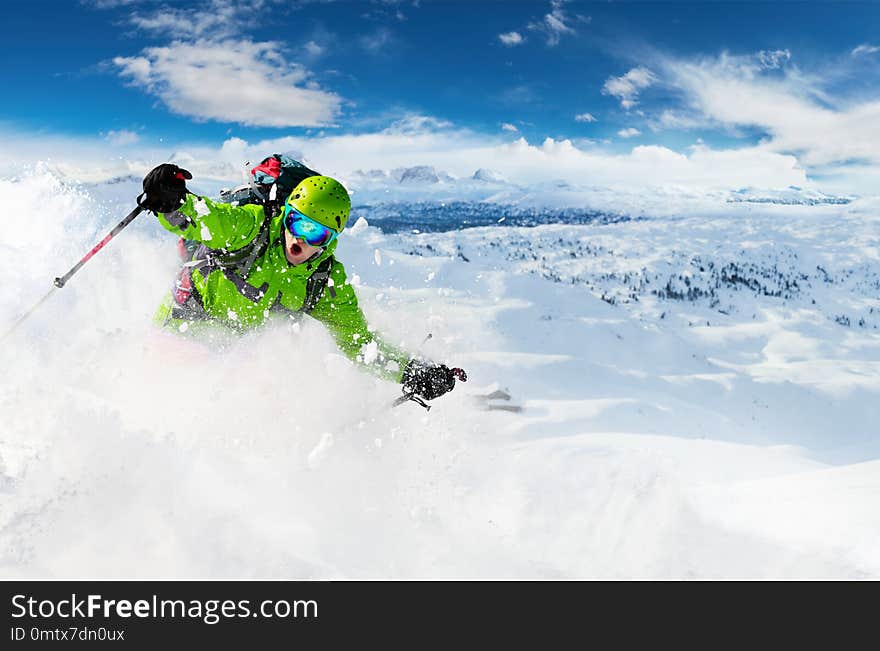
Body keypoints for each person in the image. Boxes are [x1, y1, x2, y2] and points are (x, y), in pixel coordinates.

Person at [138, 161, 464, 405]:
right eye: (296, 222)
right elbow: (208, 220)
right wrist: (173, 202)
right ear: (286, 214)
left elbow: (358, 343)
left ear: (330, 240)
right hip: (185, 326)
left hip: (235, 352)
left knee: (251, 401)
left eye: (315, 233)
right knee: (172, 399)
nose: (299, 239)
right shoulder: (252, 227)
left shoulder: (322, 282)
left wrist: (411, 372)